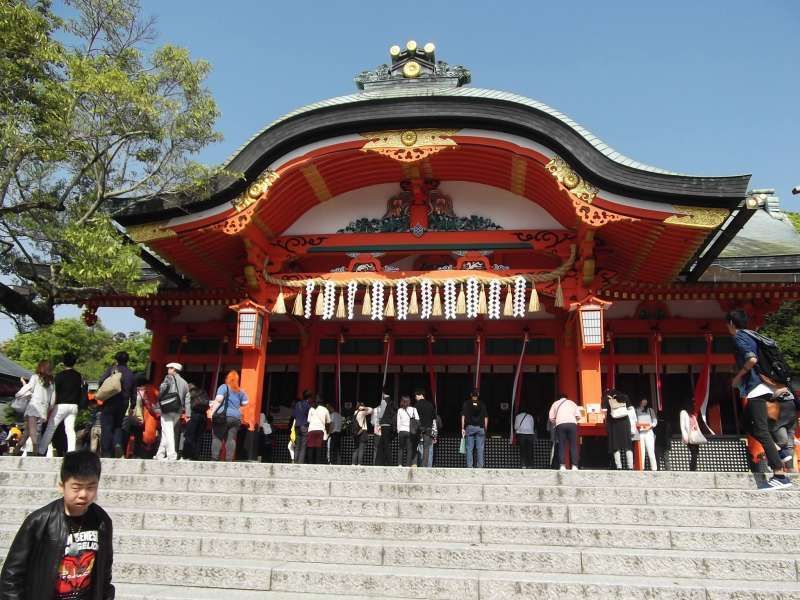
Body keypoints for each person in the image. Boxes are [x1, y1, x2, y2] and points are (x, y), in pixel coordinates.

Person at [0, 450, 114, 600]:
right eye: (76, 487)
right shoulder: (40, 521)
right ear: (62, 486)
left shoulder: (102, 522)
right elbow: (11, 575)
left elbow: (104, 574)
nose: (84, 494)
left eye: (91, 487)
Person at [726, 309, 792, 488]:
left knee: (761, 431)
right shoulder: (753, 335)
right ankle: (782, 450)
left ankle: (779, 474)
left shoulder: (739, 337)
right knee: (747, 423)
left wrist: (739, 376)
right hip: (765, 386)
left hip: (756, 387)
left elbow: (752, 359)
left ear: (732, 323)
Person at [39, 352, 85, 456]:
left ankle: (41, 450)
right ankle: (71, 452)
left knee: (51, 428)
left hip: (61, 406)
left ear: (64, 362)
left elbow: (54, 392)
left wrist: (51, 406)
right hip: (74, 406)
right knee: (70, 429)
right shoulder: (78, 376)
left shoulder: (60, 376)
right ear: (74, 362)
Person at [97, 351, 136, 458]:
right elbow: (134, 392)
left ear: (116, 359)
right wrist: (132, 405)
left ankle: (106, 452)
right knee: (118, 425)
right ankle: (118, 444)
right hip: (123, 403)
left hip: (110, 401)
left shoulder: (112, 370)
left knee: (106, 426)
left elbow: (101, 381)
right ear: (127, 360)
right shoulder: (130, 374)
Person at [15, 361, 54, 456]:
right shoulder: (52, 382)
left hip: (34, 406)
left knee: (32, 429)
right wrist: (49, 409)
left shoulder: (35, 377)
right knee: (28, 431)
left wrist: (18, 394)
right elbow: (53, 399)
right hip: (43, 409)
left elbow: (29, 388)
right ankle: (17, 449)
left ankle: (35, 448)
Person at [209, 370, 249, 461]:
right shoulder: (240, 391)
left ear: (227, 379)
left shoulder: (224, 387)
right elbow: (245, 402)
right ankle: (229, 460)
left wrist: (212, 413)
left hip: (223, 416)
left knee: (217, 437)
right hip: (235, 418)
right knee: (231, 439)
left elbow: (219, 399)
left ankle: (214, 458)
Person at [154, 362, 190, 461]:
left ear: (174, 369)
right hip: (178, 411)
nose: (168, 370)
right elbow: (187, 399)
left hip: (167, 409)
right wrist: (188, 413)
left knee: (168, 432)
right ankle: (160, 454)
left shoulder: (168, 378)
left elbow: (162, 390)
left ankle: (172, 454)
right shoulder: (184, 382)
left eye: (169, 368)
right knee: (166, 431)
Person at [603, 389, 635, 470]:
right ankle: (630, 466)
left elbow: (604, 411)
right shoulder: (625, 397)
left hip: (613, 423)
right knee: (628, 444)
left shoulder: (607, 398)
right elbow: (631, 409)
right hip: (625, 422)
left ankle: (619, 466)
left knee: (615, 445)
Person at [549, 394, 581, 471]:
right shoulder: (572, 403)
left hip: (560, 424)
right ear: (567, 398)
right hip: (572, 424)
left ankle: (562, 466)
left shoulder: (555, 403)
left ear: (559, 398)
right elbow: (578, 416)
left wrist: (556, 422)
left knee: (561, 445)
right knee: (573, 445)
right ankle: (574, 466)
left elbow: (551, 417)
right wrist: (574, 421)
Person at [461, 389, 488, 468]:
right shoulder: (482, 404)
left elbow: (463, 416)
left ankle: (470, 466)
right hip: (480, 428)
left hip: (470, 428)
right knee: (480, 448)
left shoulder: (466, 403)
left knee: (469, 448)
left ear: (471, 394)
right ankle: (480, 466)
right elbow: (486, 418)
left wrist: (462, 428)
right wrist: (485, 429)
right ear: (478, 394)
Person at [183, 383, 209, 460]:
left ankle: (186, 455)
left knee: (190, 436)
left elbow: (187, 404)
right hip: (203, 417)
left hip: (193, 416)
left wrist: (187, 415)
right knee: (199, 437)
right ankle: (196, 456)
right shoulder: (203, 392)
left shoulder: (190, 393)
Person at [680, 398, 704, 472]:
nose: (694, 405)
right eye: (692, 403)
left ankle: (694, 468)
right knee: (694, 453)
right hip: (689, 436)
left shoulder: (692, 415)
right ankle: (692, 469)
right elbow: (682, 426)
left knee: (696, 453)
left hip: (695, 436)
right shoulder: (683, 412)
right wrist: (685, 436)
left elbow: (696, 426)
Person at [306, 395, 331, 465]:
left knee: (310, 447)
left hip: (311, 430)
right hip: (320, 430)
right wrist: (327, 432)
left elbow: (309, 421)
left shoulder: (311, 409)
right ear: (323, 402)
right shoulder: (325, 410)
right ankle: (317, 464)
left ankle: (310, 463)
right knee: (318, 447)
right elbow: (328, 422)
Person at [396, 395, 419, 467]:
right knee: (409, 449)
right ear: (409, 401)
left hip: (402, 431)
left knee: (401, 448)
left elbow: (398, 422)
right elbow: (417, 419)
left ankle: (399, 464)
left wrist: (399, 431)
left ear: (402, 402)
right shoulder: (413, 409)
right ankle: (407, 465)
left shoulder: (399, 410)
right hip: (410, 431)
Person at [414, 390, 435, 468]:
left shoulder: (416, 405)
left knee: (416, 445)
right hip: (428, 428)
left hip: (419, 428)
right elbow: (434, 418)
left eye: (416, 396)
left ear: (420, 395)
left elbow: (415, 418)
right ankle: (425, 465)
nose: (415, 398)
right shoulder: (430, 405)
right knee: (427, 447)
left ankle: (416, 463)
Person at [636, 398, 658, 471]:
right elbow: (635, 421)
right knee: (641, 451)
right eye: (643, 400)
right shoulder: (636, 410)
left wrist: (651, 425)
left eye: (646, 400)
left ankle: (654, 468)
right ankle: (641, 467)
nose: (645, 401)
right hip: (640, 432)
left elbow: (655, 420)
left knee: (651, 450)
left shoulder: (650, 410)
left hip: (649, 432)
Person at [375, 395, 396, 466]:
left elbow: (381, 414)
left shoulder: (384, 401)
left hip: (384, 424)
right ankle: (380, 462)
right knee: (381, 444)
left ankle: (389, 462)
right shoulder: (392, 403)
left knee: (385, 444)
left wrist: (379, 420)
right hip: (389, 425)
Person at [291, 391, 311, 464]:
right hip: (304, 426)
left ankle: (295, 461)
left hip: (297, 426)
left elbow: (293, 415)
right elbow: (309, 416)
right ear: (309, 398)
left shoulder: (297, 404)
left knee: (298, 445)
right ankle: (300, 462)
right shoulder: (308, 405)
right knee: (303, 446)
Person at [350, 401, 373, 465]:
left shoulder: (355, 413)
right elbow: (371, 410)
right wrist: (364, 408)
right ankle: (359, 464)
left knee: (356, 448)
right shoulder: (362, 413)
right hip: (362, 432)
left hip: (356, 432)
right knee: (361, 449)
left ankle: (353, 464)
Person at [514, 404, 536, 469]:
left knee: (522, 450)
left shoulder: (518, 416)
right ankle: (530, 465)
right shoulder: (530, 416)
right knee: (529, 450)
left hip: (521, 434)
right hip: (530, 434)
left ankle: (523, 465)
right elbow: (532, 426)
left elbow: (516, 427)